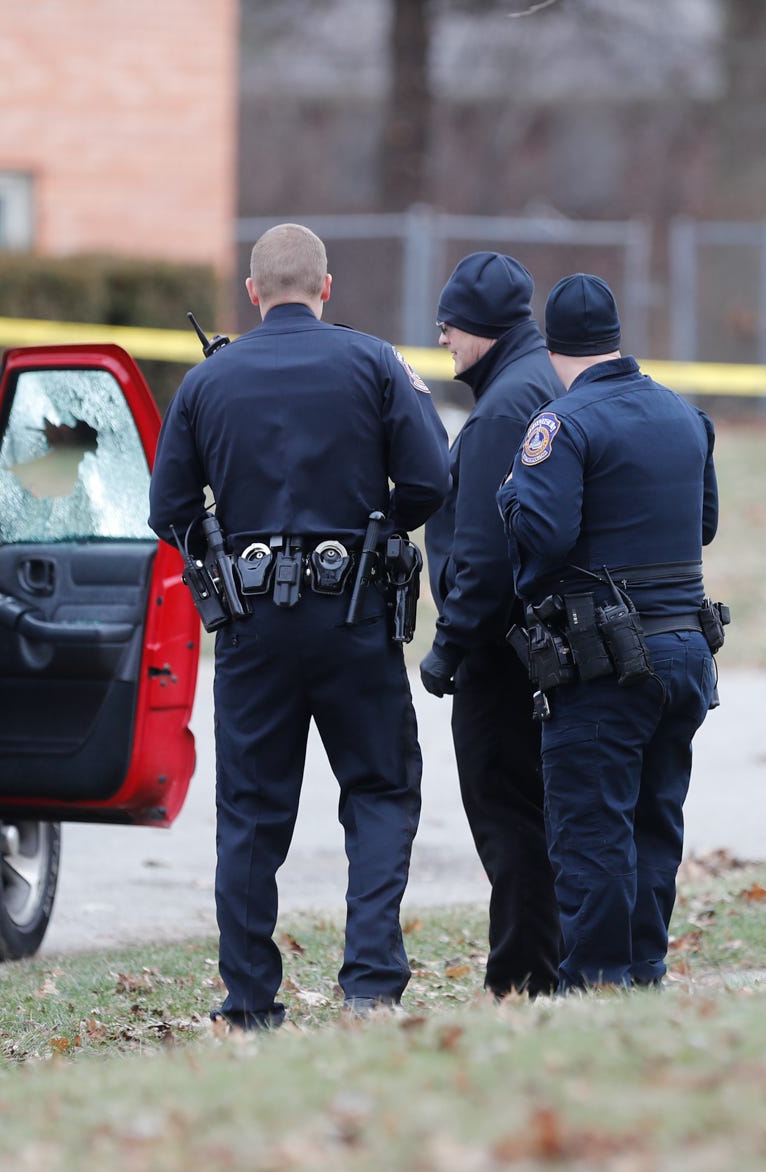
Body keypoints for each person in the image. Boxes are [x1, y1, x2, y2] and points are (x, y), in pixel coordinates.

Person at [148, 223, 450, 1028]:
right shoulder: (375, 361)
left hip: (250, 627)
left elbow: (166, 510)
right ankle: (371, 985)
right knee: (380, 789)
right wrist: (381, 521)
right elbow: (431, 477)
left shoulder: (208, 382)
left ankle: (248, 1002)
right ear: (326, 287)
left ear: (252, 293)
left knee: (251, 810)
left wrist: (227, 538)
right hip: (353, 614)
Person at [497, 274, 720, 991]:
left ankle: (594, 983)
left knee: (592, 827)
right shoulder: (685, 415)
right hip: (685, 647)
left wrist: (509, 497)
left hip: (603, 662)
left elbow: (545, 533)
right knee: (655, 823)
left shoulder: (561, 424)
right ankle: (641, 972)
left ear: (551, 344)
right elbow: (704, 525)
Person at [419, 252, 564, 997]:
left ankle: (523, 975)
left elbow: (483, 552)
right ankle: (544, 965)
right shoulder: (535, 381)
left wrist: (447, 652)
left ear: (480, 326)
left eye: (449, 323)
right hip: (535, 647)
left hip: (498, 656)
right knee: (537, 815)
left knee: (507, 818)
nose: (441, 335)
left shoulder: (505, 407)